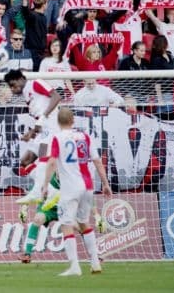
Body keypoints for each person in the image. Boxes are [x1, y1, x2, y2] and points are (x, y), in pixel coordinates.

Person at [43, 108, 112, 276]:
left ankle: (74, 266)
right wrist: (105, 183)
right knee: (83, 223)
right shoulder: (85, 136)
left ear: (58, 122)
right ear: (73, 121)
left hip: (69, 188)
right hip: (87, 186)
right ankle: (95, 262)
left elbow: (52, 162)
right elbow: (97, 161)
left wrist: (45, 184)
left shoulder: (57, 138)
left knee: (67, 225)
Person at [4, 69, 62, 205]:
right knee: (25, 161)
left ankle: (37, 192)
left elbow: (56, 97)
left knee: (43, 158)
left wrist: (44, 116)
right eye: (10, 87)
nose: (12, 89)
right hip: (43, 131)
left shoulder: (35, 83)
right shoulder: (26, 95)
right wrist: (30, 133)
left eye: (13, 85)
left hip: (52, 127)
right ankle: (52, 191)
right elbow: (39, 121)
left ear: (20, 79)